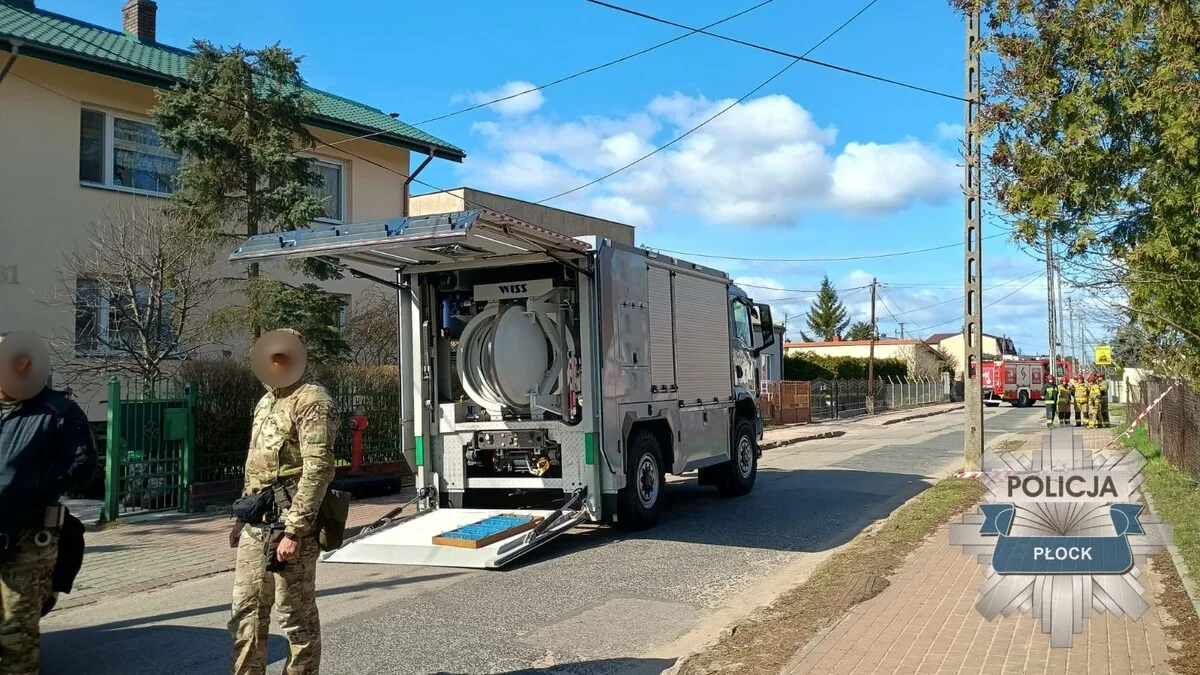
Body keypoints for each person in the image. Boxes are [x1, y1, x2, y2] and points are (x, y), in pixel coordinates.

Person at [229, 329, 340, 675]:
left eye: (284, 355)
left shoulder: (313, 401)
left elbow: (318, 468)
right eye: (271, 356)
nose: (276, 362)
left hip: (290, 526)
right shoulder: (266, 402)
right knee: (245, 614)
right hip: (256, 524)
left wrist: (295, 530)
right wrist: (240, 518)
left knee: (295, 617)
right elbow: (256, 465)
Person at [0, 332, 98, 674]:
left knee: (15, 634)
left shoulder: (57, 411)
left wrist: (30, 488)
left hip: (26, 539)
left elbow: (82, 465)